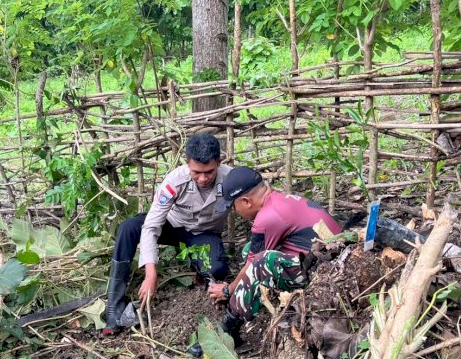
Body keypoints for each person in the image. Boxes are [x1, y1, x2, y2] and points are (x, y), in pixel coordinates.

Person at [104, 133, 233, 334]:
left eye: (209, 172)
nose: (203, 178)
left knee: (217, 269)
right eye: (196, 172)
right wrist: (150, 273)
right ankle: (113, 306)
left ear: (219, 162)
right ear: (187, 164)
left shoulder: (231, 179)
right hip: (172, 226)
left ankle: (199, 269)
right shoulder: (175, 180)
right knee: (129, 227)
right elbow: (151, 226)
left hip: (204, 234)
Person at [206, 167, 342, 344]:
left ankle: (228, 328)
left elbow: (253, 265)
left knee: (261, 262)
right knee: (250, 249)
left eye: (233, 206)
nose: (235, 212)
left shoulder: (267, 217)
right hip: (328, 258)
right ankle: (261, 295)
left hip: (323, 272)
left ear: (246, 201)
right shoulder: (279, 200)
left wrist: (227, 290)